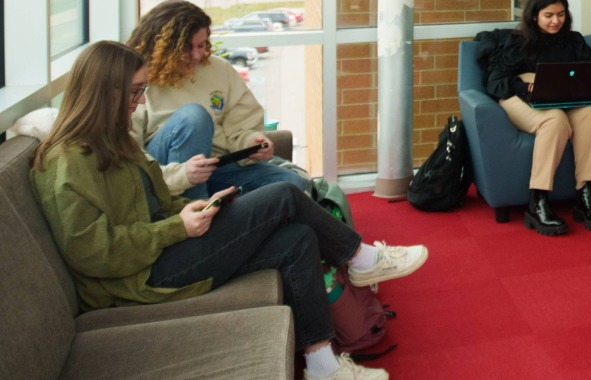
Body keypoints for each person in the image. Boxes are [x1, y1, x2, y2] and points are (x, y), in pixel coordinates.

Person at [30, 41, 430, 380]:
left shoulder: (115, 139)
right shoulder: (68, 161)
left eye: (141, 91)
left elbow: (156, 202)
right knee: (286, 197)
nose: (138, 104)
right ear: (104, 92)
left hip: (161, 249)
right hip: (138, 275)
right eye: (133, 93)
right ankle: (360, 258)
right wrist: (175, 229)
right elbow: (92, 251)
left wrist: (195, 208)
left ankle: (321, 362)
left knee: (298, 237)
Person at [127, 0, 308, 199]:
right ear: (163, 47)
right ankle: (192, 210)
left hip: (217, 168)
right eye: (187, 48)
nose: (197, 55)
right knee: (194, 117)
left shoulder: (219, 70)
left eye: (202, 45)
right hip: (165, 176)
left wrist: (252, 143)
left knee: (292, 184)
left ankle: (216, 214)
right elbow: (130, 155)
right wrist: (183, 174)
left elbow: (240, 128)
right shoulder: (136, 80)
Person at [486, 0, 591, 236]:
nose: (556, 21)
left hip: (563, 96)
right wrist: (527, 86)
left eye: (561, 14)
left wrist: (584, 82)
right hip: (519, 96)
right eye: (549, 15)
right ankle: (538, 201)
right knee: (554, 121)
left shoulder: (573, 40)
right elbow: (495, 81)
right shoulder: (518, 41)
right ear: (534, 15)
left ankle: (585, 195)